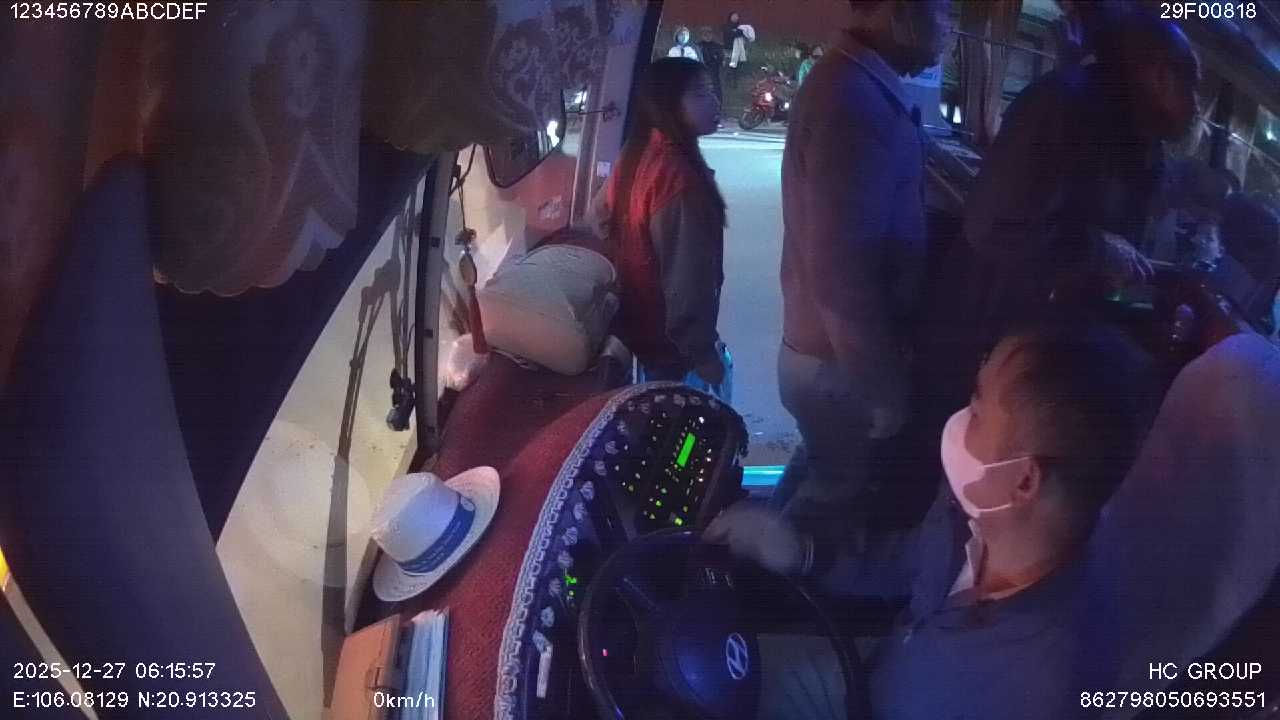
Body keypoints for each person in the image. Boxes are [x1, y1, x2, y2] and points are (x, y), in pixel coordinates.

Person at [708, 323, 1157, 720]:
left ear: (1024, 480)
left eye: (977, 411)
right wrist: (804, 552)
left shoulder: (1041, 686)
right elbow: (909, 562)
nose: (959, 420)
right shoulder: (970, 510)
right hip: (875, 679)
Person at [773, 0, 950, 537]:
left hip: (825, 358)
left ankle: (757, 560)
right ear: (899, 12)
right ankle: (768, 579)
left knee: (821, 478)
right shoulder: (853, 102)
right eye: (941, 11)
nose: (947, 28)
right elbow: (840, 276)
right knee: (833, 506)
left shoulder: (856, 86)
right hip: (839, 366)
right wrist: (881, 386)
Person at [962, 9, 1200, 348]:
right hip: (1000, 335)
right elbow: (992, 228)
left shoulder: (1142, 143)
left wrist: (1143, 292)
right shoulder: (1060, 104)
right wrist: (1099, 249)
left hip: (1062, 338)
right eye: (1193, 87)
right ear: (1162, 76)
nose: (1197, 107)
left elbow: (1112, 257)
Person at [586, 58, 728, 393]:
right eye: (701, 94)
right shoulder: (679, 180)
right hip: (670, 342)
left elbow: (597, 217)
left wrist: (632, 255)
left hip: (638, 320)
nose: (715, 102)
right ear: (668, 104)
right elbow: (687, 280)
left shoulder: (639, 151)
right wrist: (703, 354)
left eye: (711, 91)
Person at [697, 27, 726, 111]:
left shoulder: (717, 46)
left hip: (714, 72)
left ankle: (717, 109)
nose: (707, 36)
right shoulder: (698, 46)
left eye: (709, 34)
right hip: (701, 72)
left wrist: (716, 59)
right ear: (701, 36)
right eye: (705, 35)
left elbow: (720, 59)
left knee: (716, 91)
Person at [724, 11, 750, 89]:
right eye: (733, 16)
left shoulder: (740, 27)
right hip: (729, 50)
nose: (735, 17)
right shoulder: (726, 26)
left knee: (736, 68)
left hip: (738, 50)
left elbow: (745, 33)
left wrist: (739, 32)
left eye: (736, 16)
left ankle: (735, 83)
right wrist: (738, 33)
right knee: (729, 67)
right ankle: (727, 82)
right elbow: (732, 34)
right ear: (730, 17)